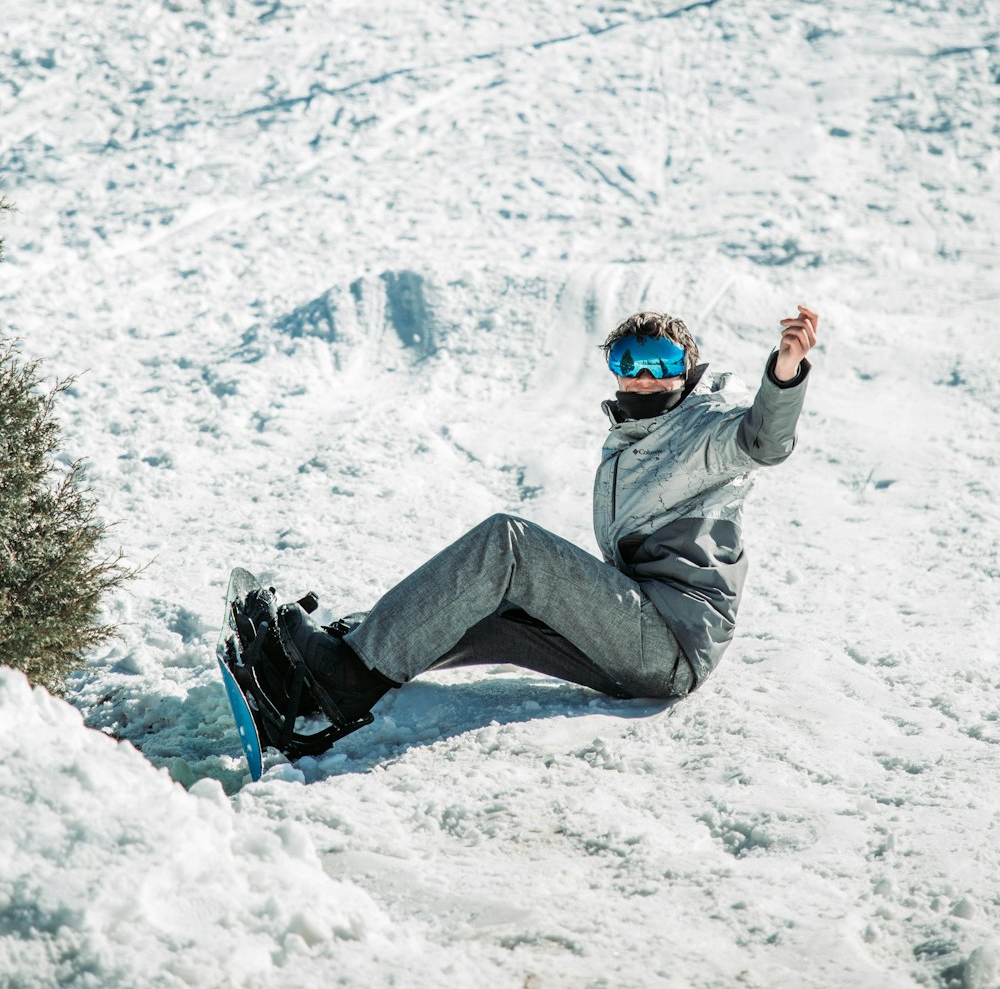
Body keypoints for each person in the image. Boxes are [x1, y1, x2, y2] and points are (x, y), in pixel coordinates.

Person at [231, 305, 818, 758]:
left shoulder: (705, 427)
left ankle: (346, 680)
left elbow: (763, 439)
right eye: (628, 364)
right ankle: (316, 671)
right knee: (481, 607)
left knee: (508, 544)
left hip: (671, 640)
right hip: (646, 626)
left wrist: (785, 374)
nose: (642, 377)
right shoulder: (640, 435)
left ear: (686, 370)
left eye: (660, 362)